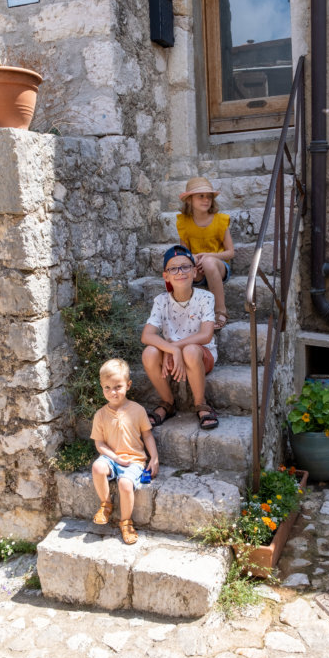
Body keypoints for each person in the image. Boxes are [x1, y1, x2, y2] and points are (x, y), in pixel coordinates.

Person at [141, 244, 219, 430]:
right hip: (171, 357)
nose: (180, 272)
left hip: (200, 355)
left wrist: (175, 347)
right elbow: (147, 335)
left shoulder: (206, 297)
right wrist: (172, 350)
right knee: (149, 353)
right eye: (173, 268)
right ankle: (167, 402)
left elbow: (206, 335)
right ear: (166, 276)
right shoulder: (161, 301)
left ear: (194, 272)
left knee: (190, 351)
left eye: (185, 267)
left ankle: (201, 403)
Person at [90, 358, 159, 545]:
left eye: (118, 387)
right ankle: (106, 504)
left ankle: (126, 522)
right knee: (97, 467)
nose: (112, 392)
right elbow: (100, 443)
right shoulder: (100, 415)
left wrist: (154, 457)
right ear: (102, 387)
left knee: (125, 484)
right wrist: (115, 457)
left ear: (128, 385)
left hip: (134, 460)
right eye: (107, 388)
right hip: (111, 458)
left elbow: (147, 435)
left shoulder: (138, 410)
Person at [176, 176, 234, 330]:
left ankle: (220, 311)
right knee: (182, 264)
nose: (206, 200)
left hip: (219, 266)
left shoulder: (220, 221)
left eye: (209, 196)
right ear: (189, 200)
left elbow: (230, 253)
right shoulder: (184, 223)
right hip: (198, 270)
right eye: (201, 196)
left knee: (208, 262)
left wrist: (209, 256)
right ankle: (185, 313)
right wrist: (194, 258)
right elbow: (184, 253)